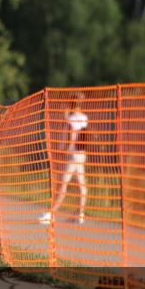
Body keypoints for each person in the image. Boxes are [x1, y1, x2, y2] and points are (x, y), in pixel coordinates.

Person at [40, 94, 90, 225]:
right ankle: (80, 214)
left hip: (72, 154)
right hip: (80, 153)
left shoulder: (72, 119)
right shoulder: (84, 118)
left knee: (63, 183)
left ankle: (51, 213)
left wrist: (65, 149)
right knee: (81, 184)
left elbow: (73, 134)